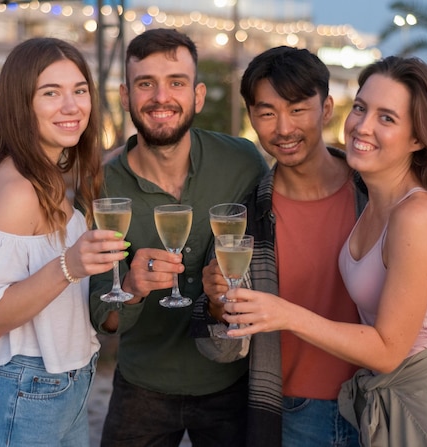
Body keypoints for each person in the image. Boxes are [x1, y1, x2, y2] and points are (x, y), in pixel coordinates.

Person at [192, 47, 427, 446]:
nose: (284, 128)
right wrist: (216, 304)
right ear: (251, 117)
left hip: (386, 405)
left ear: (326, 109)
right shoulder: (246, 215)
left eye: (298, 109)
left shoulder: (377, 191)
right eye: (267, 113)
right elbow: (221, 348)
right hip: (295, 412)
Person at [88, 28, 269, 446]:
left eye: (176, 83)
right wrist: (132, 287)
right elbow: (106, 318)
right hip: (142, 388)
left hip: (232, 383)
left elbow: (282, 238)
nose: (160, 97)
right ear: (125, 96)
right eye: (145, 83)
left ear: (198, 96)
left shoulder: (241, 161)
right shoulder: (102, 187)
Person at [0, 37, 129, 446]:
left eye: (79, 90)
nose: (72, 106)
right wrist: (70, 265)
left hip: (62, 389)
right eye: (51, 93)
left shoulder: (47, 177)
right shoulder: (15, 190)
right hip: (23, 393)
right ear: (21, 103)